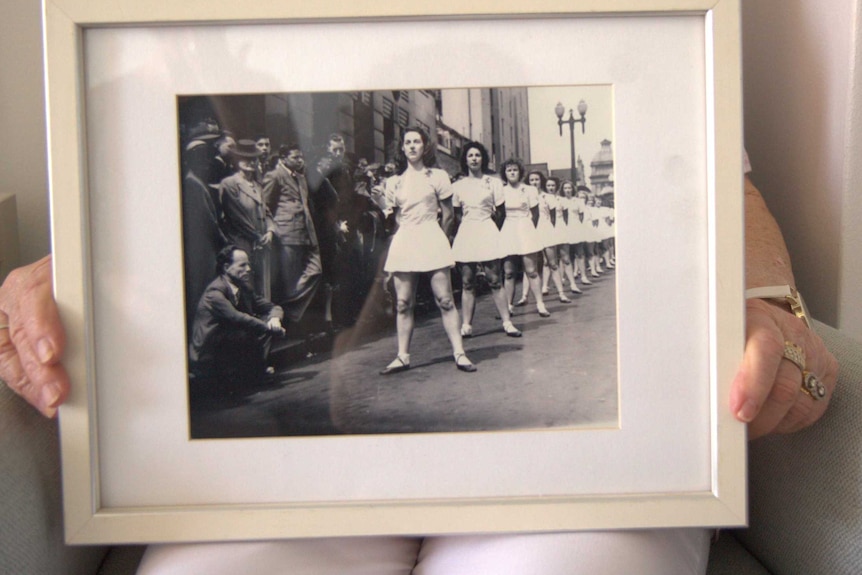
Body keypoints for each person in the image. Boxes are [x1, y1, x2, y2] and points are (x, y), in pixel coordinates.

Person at [0, 169, 840, 572]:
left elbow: (719, 173)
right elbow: (137, 162)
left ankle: (485, 338)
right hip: (271, 471)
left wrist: (774, 311)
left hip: (593, 457)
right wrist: (71, 272)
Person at [379, 126, 476, 375]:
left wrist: (439, 241)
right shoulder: (394, 182)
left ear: (425, 147)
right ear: (402, 147)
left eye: (417, 142)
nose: (412, 146)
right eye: (408, 142)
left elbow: (449, 215)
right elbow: (393, 219)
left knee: (444, 299)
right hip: (405, 240)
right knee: (403, 302)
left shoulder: (438, 177)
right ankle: (402, 356)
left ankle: (459, 352)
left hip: (431, 236)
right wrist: (383, 207)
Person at [450, 142, 522, 338]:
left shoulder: (494, 183)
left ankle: (507, 322)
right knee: (467, 281)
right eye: (470, 155)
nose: (474, 158)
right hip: (467, 232)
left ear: (483, 159)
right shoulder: (457, 186)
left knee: (494, 279)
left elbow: (500, 212)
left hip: (487, 230)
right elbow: (456, 216)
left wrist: (492, 232)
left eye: (478, 155)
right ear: (465, 160)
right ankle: (466, 325)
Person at [188, 245, 286, 390]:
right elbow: (237, 317)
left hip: (228, 342)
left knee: (260, 327)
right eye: (242, 265)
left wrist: (275, 319)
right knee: (252, 329)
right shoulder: (214, 292)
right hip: (208, 351)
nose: (248, 269)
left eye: (248, 265)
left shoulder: (244, 288)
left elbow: (273, 307)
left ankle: (254, 372)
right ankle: (247, 375)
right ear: (226, 267)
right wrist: (270, 329)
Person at [262, 143, 322, 324]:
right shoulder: (274, 176)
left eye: (301, 157)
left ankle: (286, 310)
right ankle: (289, 320)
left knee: (315, 270)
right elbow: (264, 205)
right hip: (286, 234)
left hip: (306, 233)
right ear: (283, 159)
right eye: (295, 157)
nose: (300, 160)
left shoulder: (301, 178)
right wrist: (272, 228)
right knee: (290, 280)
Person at [218, 140, 276, 299]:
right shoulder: (230, 184)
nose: (250, 162)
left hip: (262, 243)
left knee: (262, 285)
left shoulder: (257, 185)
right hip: (241, 242)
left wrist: (270, 231)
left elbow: (267, 213)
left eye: (253, 158)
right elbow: (237, 217)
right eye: (245, 158)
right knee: (244, 283)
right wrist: (257, 236)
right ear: (237, 161)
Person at [499, 159, 551, 318]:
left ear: (520, 172)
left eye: (515, 170)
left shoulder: (529, 190)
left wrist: (528, 230)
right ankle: (508, 306)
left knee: (531, 270)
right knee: (508, 272)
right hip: (508, 229)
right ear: (505, 173)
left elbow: (535, 214)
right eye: (509, 170)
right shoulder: (501, 190)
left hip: (525, 228)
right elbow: (499, 213)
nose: (512, 172)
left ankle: (540, 304)